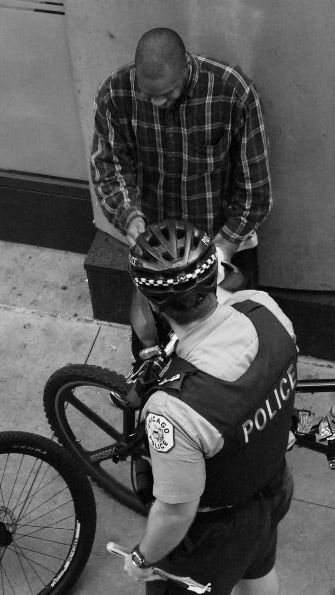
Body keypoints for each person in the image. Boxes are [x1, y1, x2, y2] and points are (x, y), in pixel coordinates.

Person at [121, 219, 296, 595]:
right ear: (215, 274)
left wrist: (142, 558)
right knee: (258, 568)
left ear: (152, 301)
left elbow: (174, 512)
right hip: (273, 486)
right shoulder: (267, 312)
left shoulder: (174, 411)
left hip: (215, 535)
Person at [90, 27, 272, 359]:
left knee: (235, 350)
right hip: (157, 254)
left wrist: (226, 246)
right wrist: (128, 216)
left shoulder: (232, 93)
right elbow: (109, 168)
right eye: (149, 95)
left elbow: (255, 190)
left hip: (223, 242)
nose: (158, 102)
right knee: (151, 350)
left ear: (187, 67)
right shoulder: (115, 94)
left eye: (168, 93)